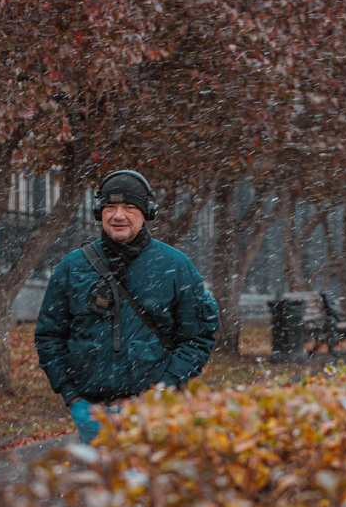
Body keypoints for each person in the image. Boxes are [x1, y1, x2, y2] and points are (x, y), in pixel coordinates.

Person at [35, 170, 219, 445]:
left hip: (154, 414)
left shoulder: (175, 266)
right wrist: (73, 397)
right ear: (99, 211)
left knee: (148, 487)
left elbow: (197, 337)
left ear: (146, 212)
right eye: (110, 207)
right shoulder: (72, 267)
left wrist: (164, 390)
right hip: (92, 415)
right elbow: (49, 335)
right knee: (100, 488)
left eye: (129, 208)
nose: (118, 215)